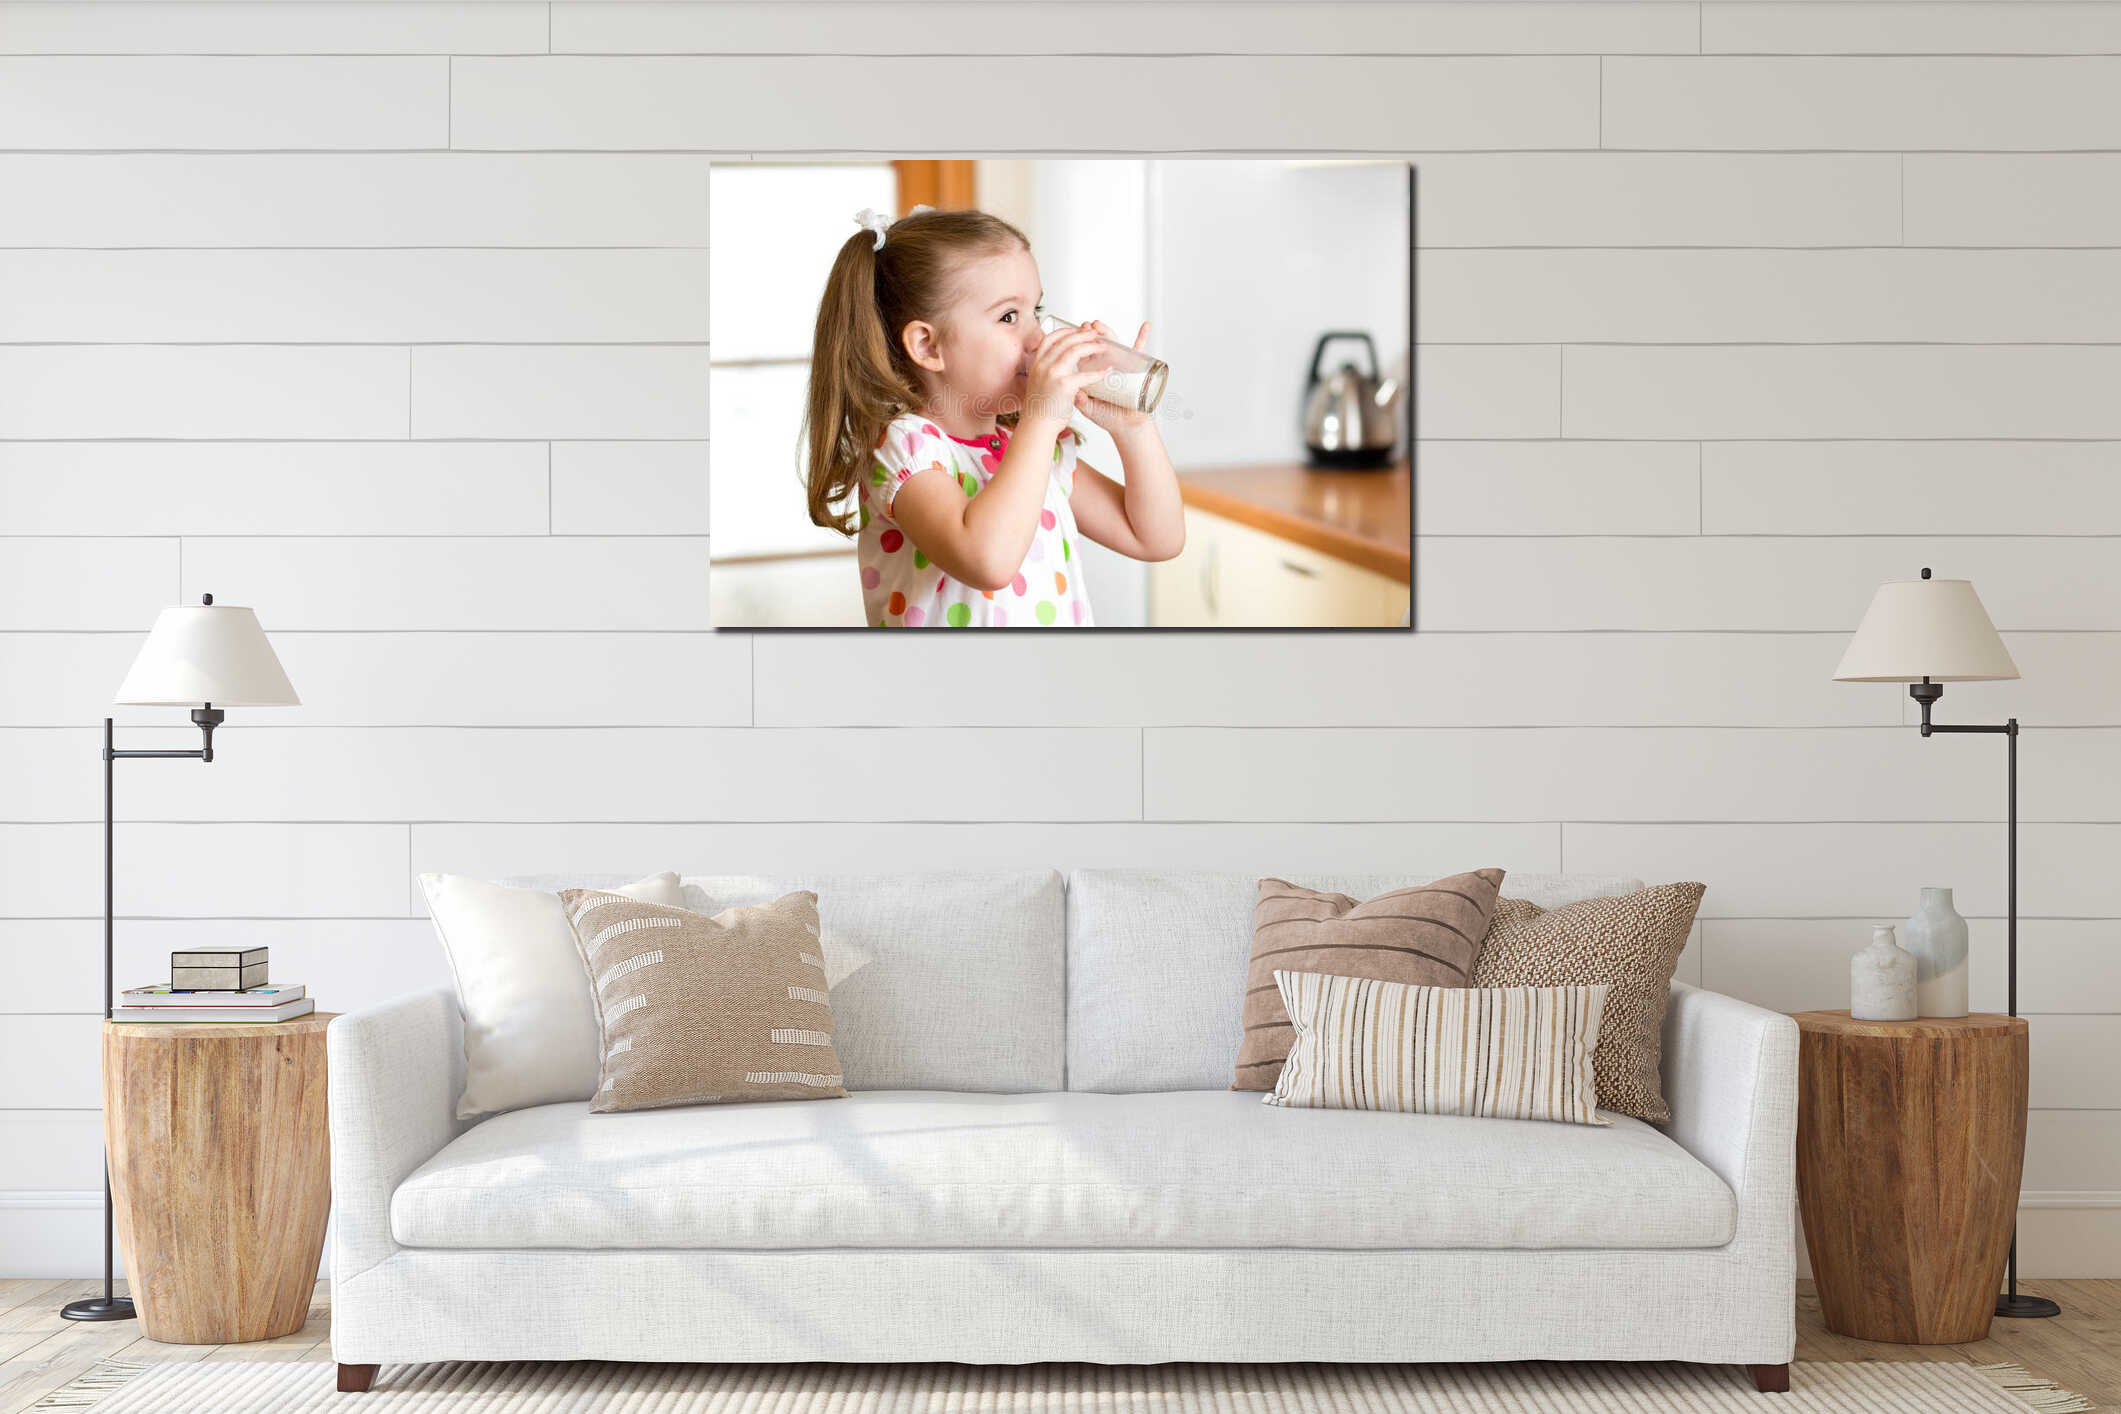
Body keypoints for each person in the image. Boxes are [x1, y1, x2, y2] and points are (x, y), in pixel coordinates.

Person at [802, 205, 1185, 627]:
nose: (1038, 337)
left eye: (1037, 311)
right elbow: (988, 561)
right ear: (929, 347)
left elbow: (1156, 538)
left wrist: (1132, 428)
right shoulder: (907, 450)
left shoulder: (1035, 449)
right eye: (1008, 317)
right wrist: (1041, 420)